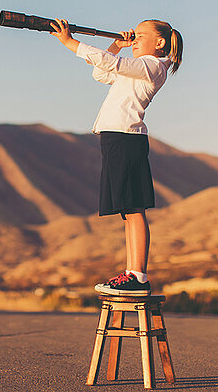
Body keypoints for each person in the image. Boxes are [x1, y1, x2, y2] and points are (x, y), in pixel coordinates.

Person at [49, 18, 182, 296]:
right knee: (128, 210)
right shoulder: (137, 68)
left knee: (134, 208)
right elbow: (101, 73)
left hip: (126, 139)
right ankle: (133, 271)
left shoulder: (153, 66)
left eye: (140, 35)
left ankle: (139, 274)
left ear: (159, 43)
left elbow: (112, 64)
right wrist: (116, 45)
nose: (133, 39)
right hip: (116, 138)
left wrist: (69, 42)